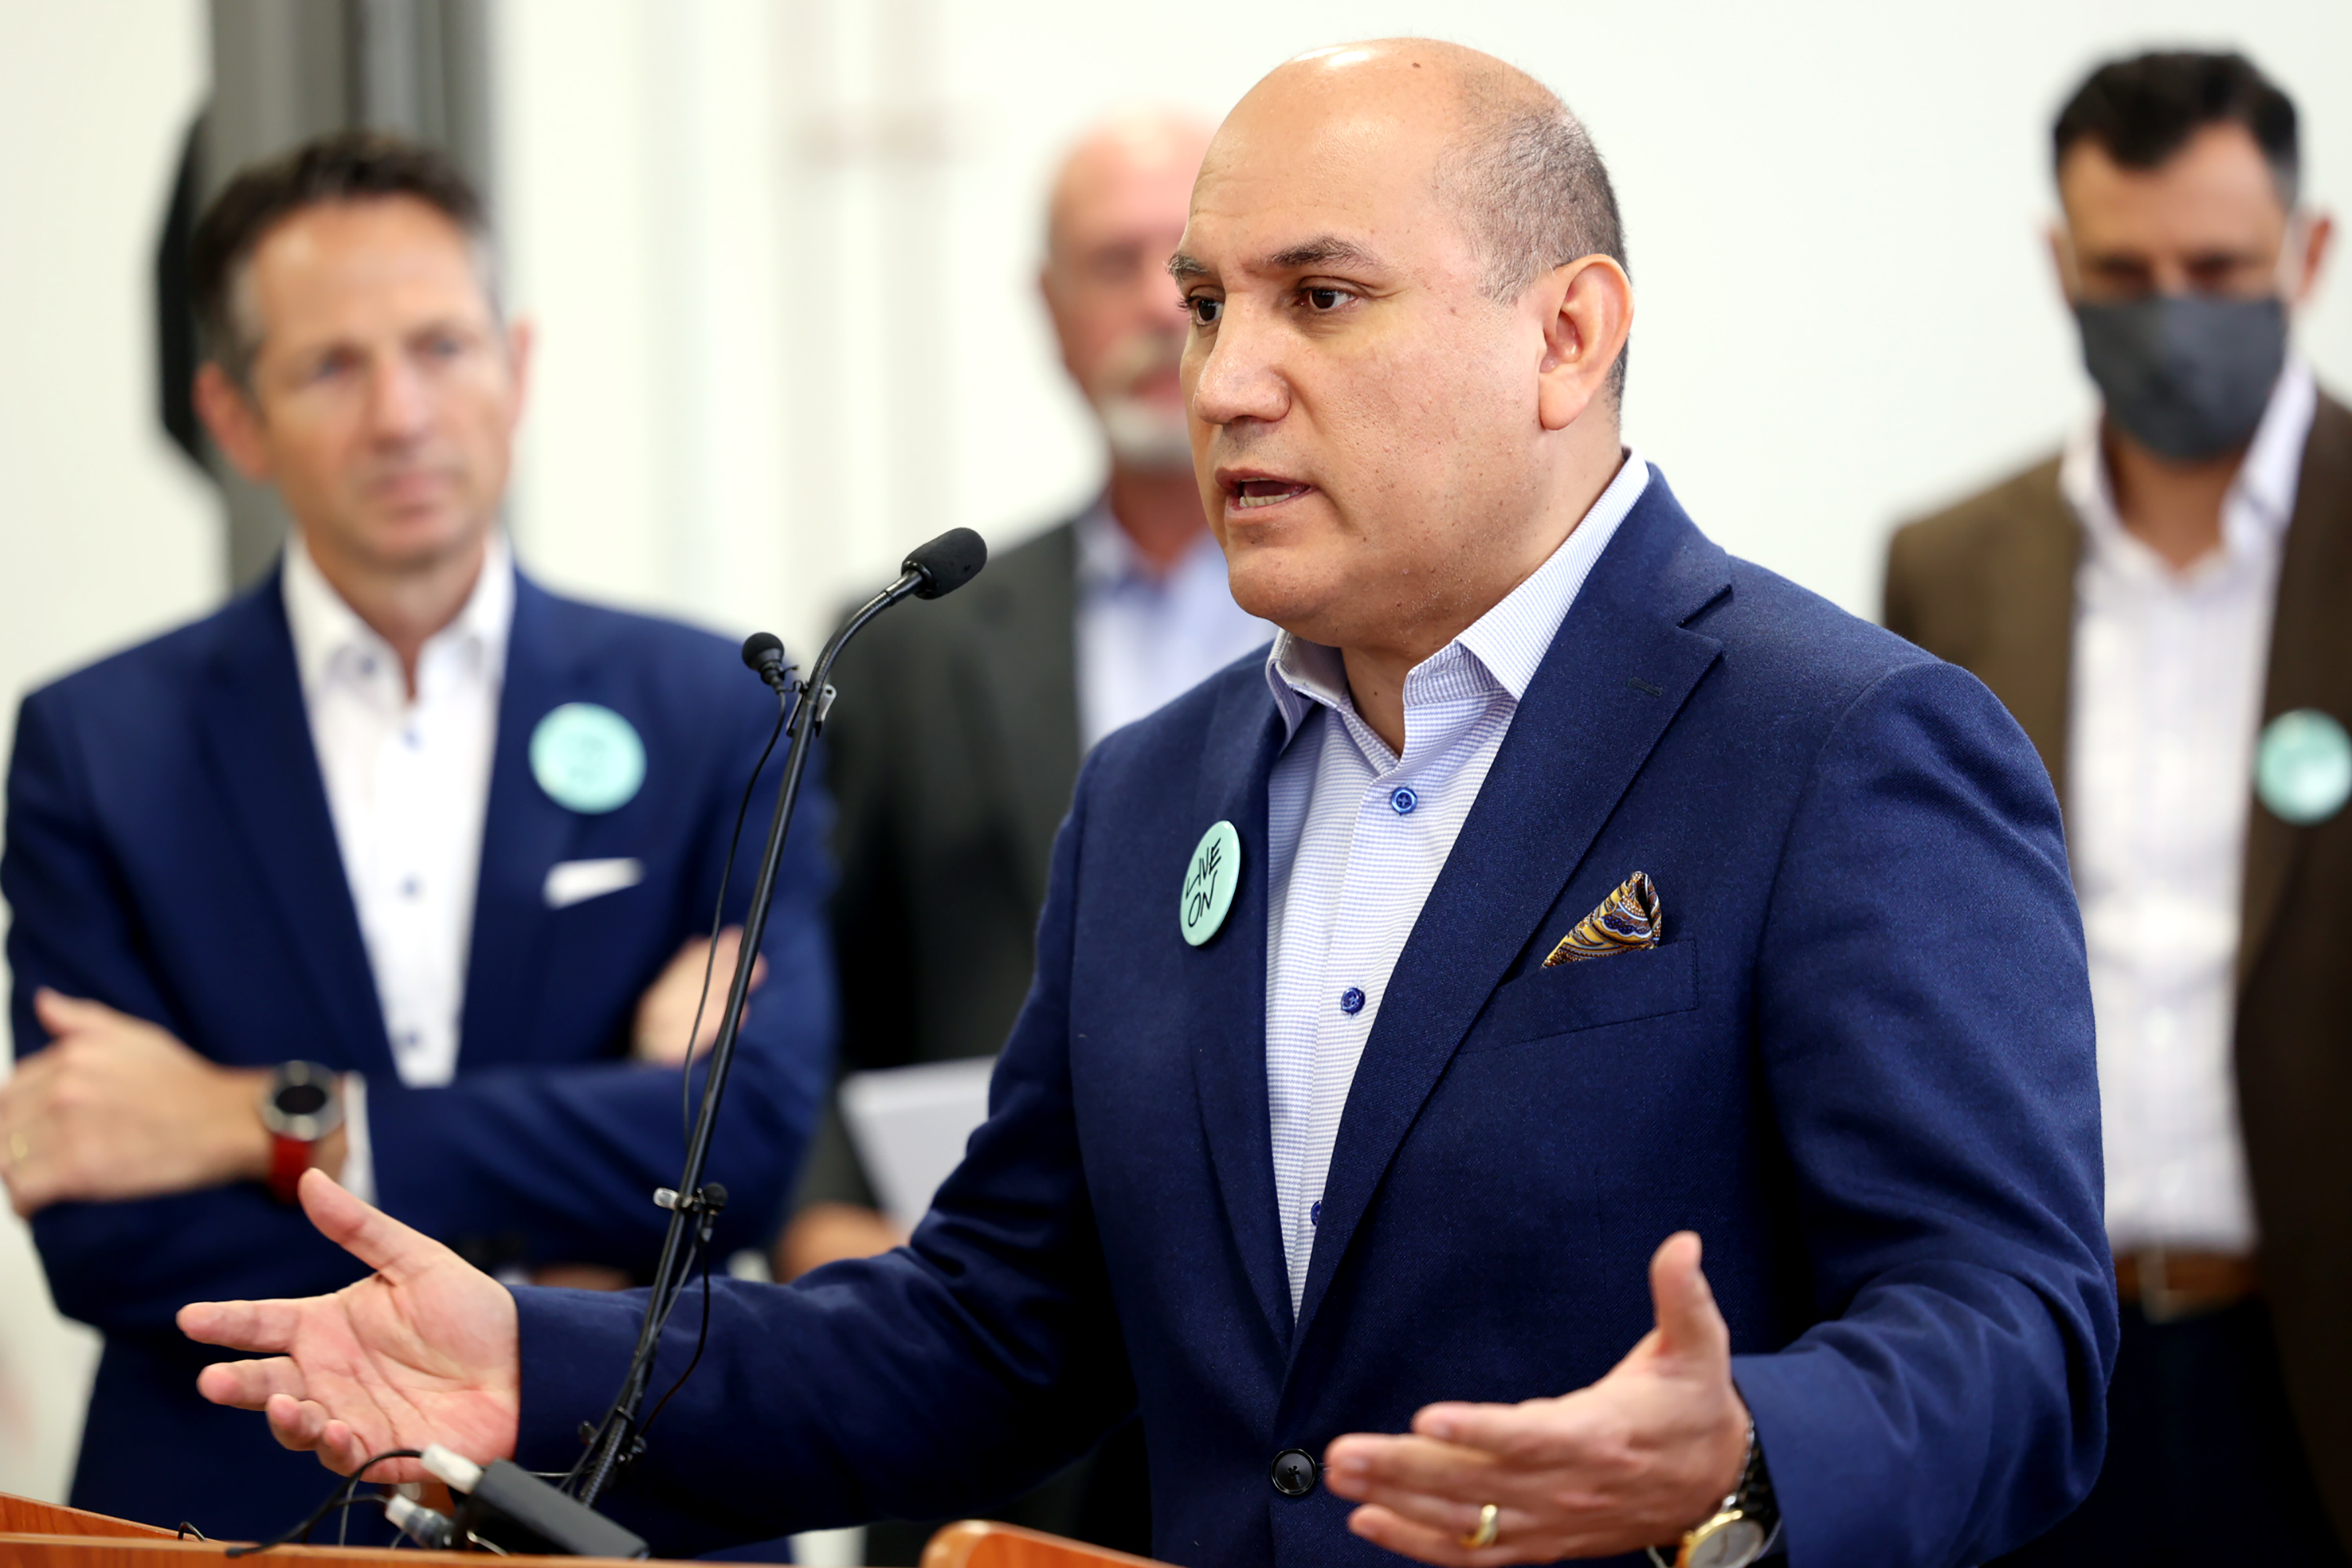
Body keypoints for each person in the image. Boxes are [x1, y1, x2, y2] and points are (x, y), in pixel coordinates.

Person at [184, 43, 2111, 1568]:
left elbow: (2014, 1331)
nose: (1228, 381)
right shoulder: (1158, 794)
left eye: (1322, 298)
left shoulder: (1840, 741)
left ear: (1568, 336)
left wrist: (1754, 1451)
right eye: (1206, 304)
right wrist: (548, 1360)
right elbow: (991, 1329)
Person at [0, 132, 835, 1541]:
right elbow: (105, 1224)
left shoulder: (722, 708)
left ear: (515, 364)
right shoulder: (101, 744)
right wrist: (581, 1216)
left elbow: (744, 1136)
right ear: (234, 414)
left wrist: (267, 1125)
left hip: (630, 1483)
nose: (402, 414)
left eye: (441, 347)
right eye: (333, 366)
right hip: (238, 1493)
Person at [1886, 50, 2348, 1565]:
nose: (2171, 308)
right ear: (2059, 266)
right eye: (2123, 269)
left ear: (2309, 253)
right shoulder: (1952, 566)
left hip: (2312, 1357)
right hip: (2040, 1363)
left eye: (2216, 267)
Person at [791, 109, 1269, 1561]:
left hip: (1279, 1383)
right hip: (993, 1362)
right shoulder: (916, 643)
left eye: (1181, 270)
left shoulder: (1351, 620)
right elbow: (821, 983)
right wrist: (820, 1213)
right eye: (1107, 264)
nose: (1146, 304)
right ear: (1049, 313)